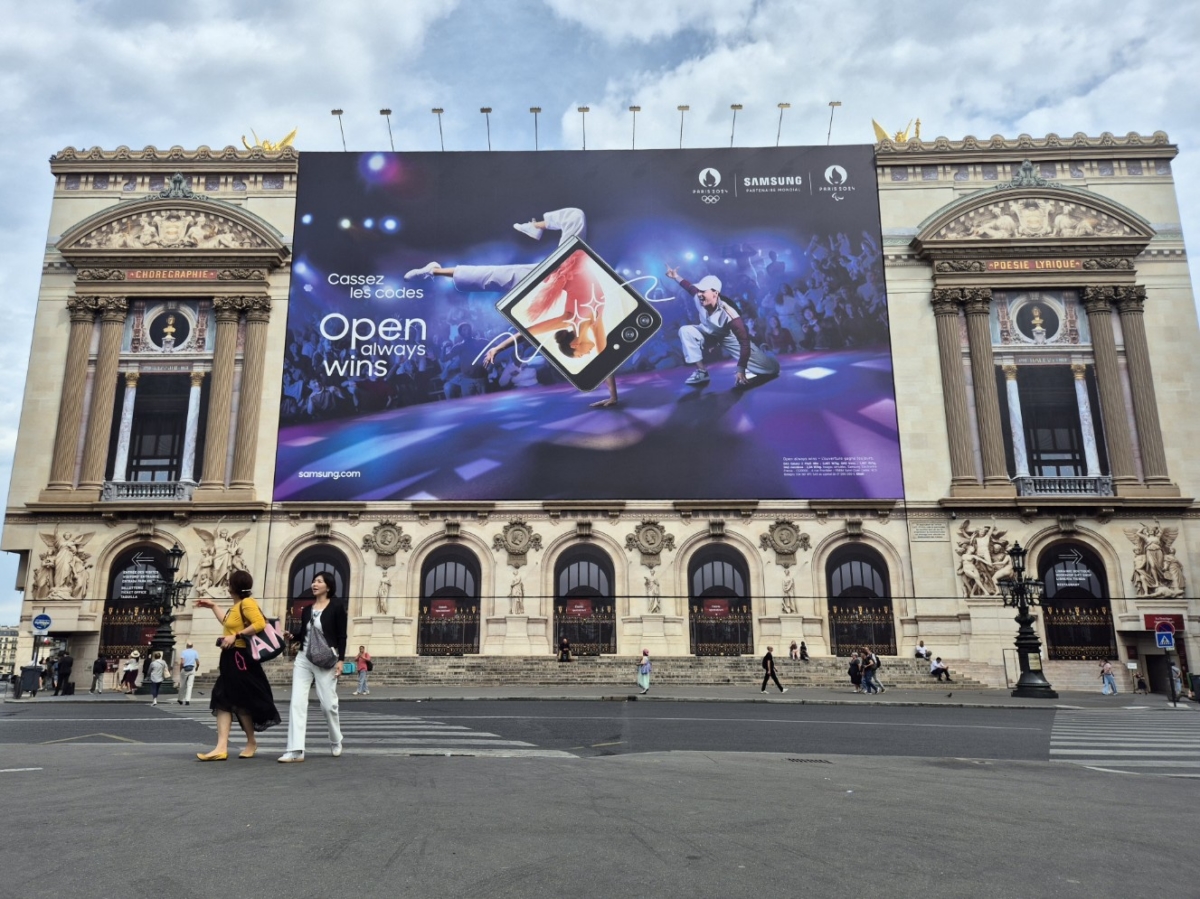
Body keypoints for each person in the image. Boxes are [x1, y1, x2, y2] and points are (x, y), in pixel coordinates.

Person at [194, 570, 281, 761]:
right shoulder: (237, 606)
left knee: (241, 700)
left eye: (229, 583)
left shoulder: (248, 603)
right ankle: (221, 747)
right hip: (229, 657)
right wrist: (213, 606)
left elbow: (259, 623)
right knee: (223, 699)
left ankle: (250, 742)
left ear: (232, 586)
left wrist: (237, 636)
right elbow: (227, 622)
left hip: (241, 659)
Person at [666, 268, 780, 389]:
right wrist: (675, 276)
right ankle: (702, 372)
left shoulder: (730, 314)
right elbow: (689, 287)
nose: (699, 294)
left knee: (770, 370)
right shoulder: (698, 297)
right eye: (699, 290)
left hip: (729, 338)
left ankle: (768, 356)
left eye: (703, 291)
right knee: (685, 330)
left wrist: (741, 369)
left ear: (715, 293)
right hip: (707, 331)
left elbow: (744, 342)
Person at [279, 572, 348, 763]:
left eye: (319, 581)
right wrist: (292, 636)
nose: (314, 584)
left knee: (328, 705)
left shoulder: (336, 606)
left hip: (326, 660)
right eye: (314, 581)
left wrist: (341, 660)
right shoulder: (307, 609)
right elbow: (304, 633)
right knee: (297, 702)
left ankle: (336, 739)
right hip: (304, 658)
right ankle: (295, 750)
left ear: (328, 586)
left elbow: (342, 636)